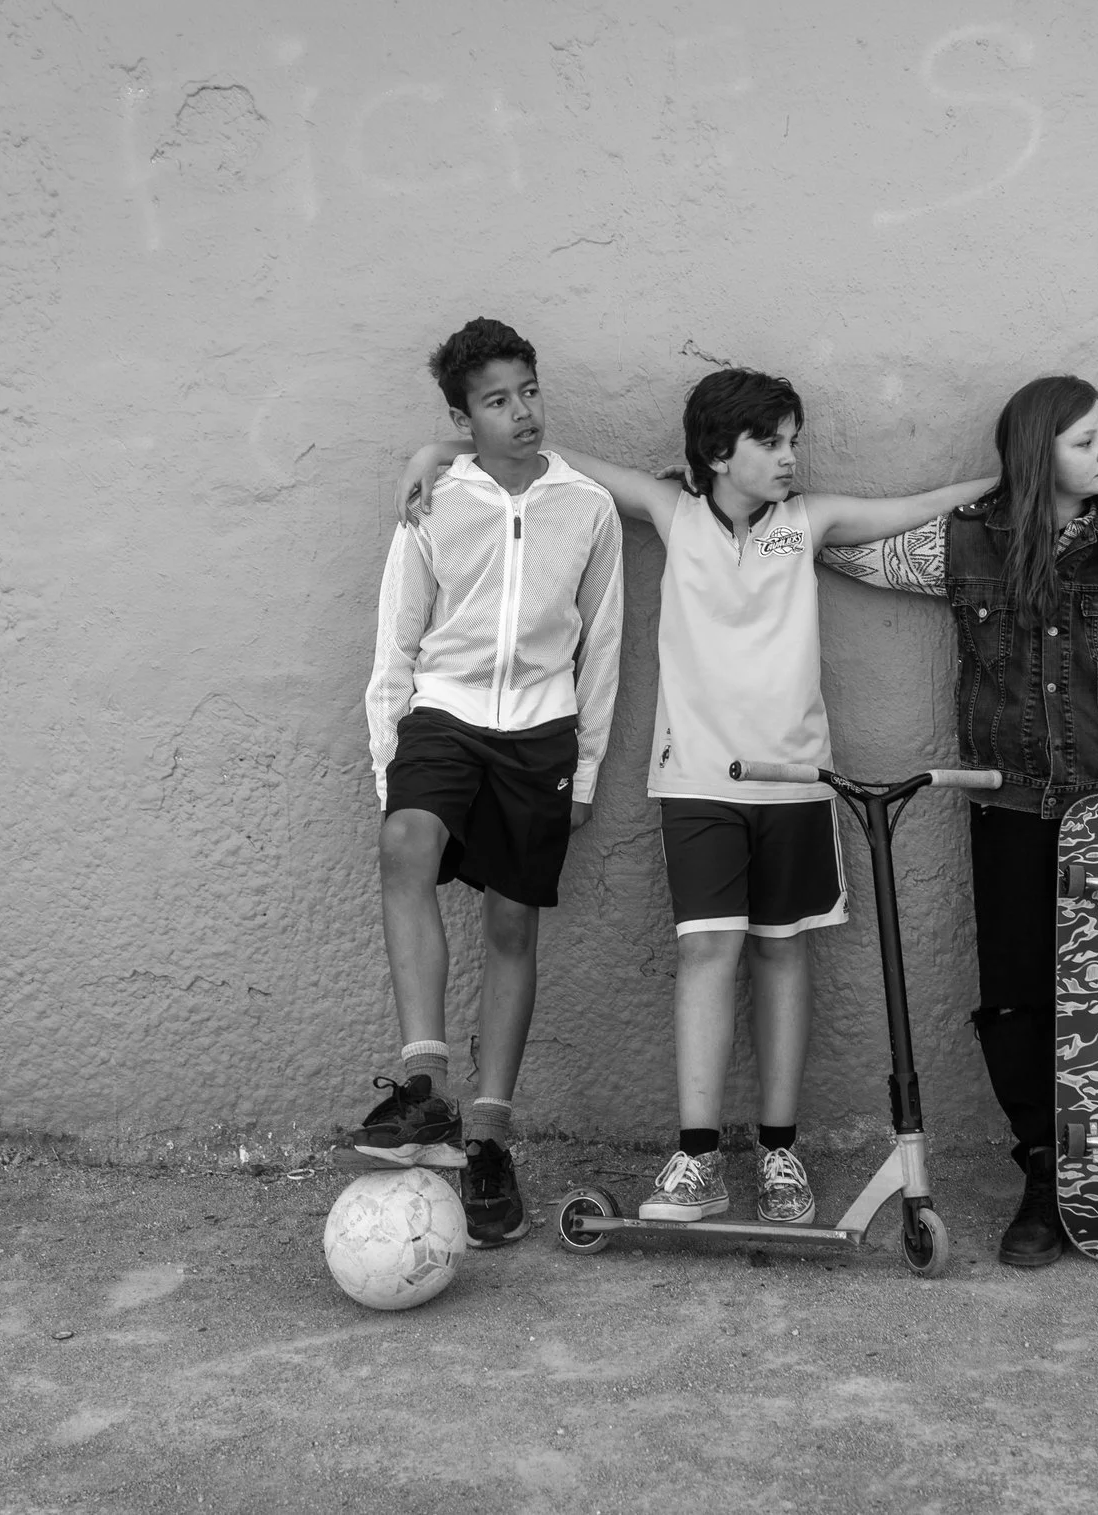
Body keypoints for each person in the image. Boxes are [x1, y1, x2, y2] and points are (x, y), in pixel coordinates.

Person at [399, 366, 991, 1227]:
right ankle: (699, 1159)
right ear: (719, 452)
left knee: (784, 953)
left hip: (798, 784)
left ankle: (781, 1153)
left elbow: (923, 504)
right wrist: (436, 448)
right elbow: (549, 454)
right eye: (773, 442)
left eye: (796, 442)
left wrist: (1014, 477)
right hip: (697, 785)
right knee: (709, 954)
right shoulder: (672, 513)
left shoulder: (810, 521)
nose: (791, 457)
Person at [820, 374, 1098, 1270]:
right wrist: (973, 494)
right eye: (1085, 441)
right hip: (1008, 809)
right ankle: (1045, 1173)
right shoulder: (966, 546)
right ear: (1039, 453)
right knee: (1019, 1000)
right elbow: (833, 544)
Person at [343, 317, 625, 1251]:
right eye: (497, 401)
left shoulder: (586, 506)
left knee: (513, 922)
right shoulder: (436, 501)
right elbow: (397, 638)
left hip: (539, 732)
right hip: (445, 714)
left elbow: (604, 644)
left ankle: (491, 1139)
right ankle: (423, 1087)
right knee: (403, 845)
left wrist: (583, 765)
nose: (522, 413)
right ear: (461, 415)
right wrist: (393, 760)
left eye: (529, 392)